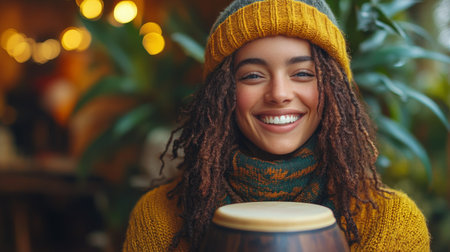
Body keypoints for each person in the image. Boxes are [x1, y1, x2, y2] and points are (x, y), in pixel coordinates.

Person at [122, 0, 430, 251]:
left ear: (335, 91)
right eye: (253, 75)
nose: (279, 94)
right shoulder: (159, 218)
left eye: (303, 74)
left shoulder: (391, 224)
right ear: (221, 94)